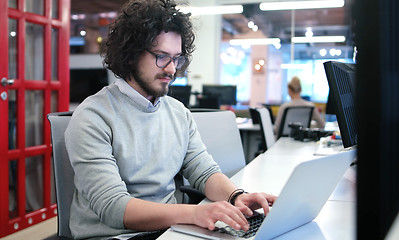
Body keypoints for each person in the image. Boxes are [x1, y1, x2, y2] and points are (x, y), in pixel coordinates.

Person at [65, 0, 276, 239]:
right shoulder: (93, 117)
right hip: (115, 235)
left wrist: (237, 196)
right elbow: (114, 208)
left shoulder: (178, 112)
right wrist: (195, 213)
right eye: (161, 56)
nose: (172, 69)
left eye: (177, 58)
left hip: (171, 230)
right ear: (131, 55)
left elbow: (204, 171)